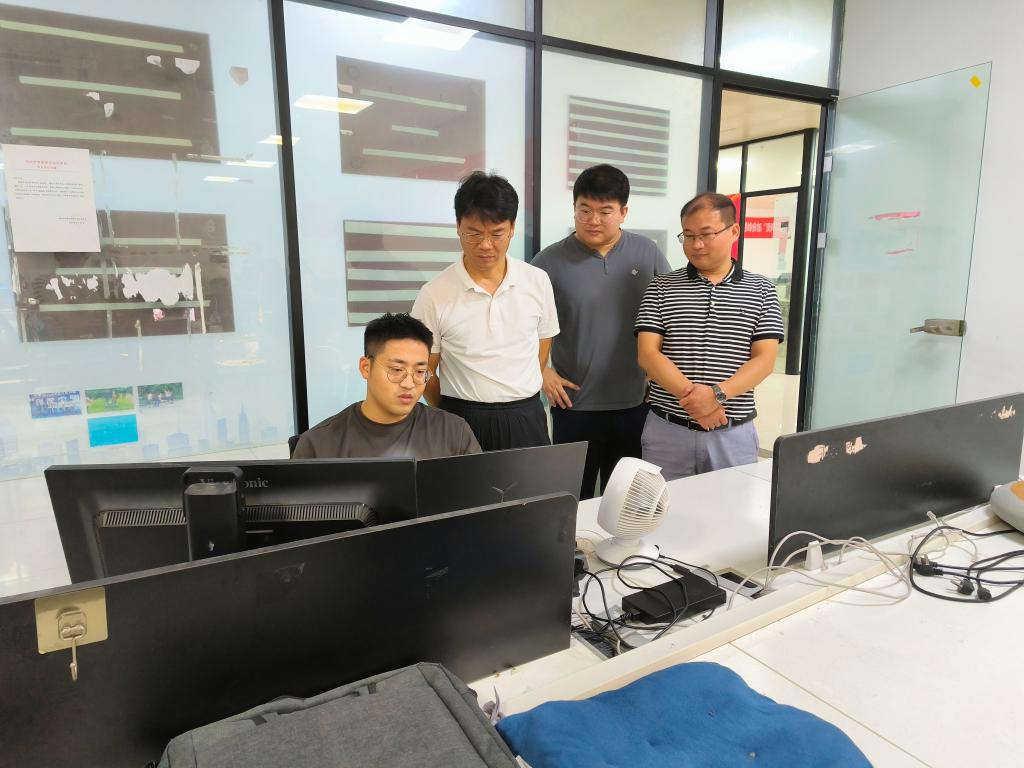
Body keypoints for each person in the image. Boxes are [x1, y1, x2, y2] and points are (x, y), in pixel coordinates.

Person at [532, 164, 671, 499]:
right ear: (574, 209)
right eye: (585, 210)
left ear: (623, 212)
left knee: (625, 502)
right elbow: (521, 327)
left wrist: (662, 372)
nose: (593, 220)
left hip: (635, 403)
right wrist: (542, 371)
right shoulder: (549, 262)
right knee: (570, 499)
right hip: (574, 405)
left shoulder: (647, 253)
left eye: (605, 211)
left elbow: (670, 315)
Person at [635, 193, 783, 480]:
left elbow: (764, 360)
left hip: (732, 432)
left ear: (734, 231)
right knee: (664, 506)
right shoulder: (661, 286)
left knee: (732, 505)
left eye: (706, 234)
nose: (696, 244)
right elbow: (648, 354)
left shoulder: (762, 289)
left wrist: (716, 394)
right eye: (688, 235)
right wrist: (697, 402)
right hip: (668, 430)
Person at [412, 171, 559, 452]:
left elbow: (542, 344)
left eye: (497, 233)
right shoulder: (434, 293)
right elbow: (424, 368)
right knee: (463, 484)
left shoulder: (537, 281)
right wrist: (449, 411)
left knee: (534, 482)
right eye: (474, 233)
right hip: (461, 418)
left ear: (512, 227)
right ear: (458, 226)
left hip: (525, 417)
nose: (485, 245)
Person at [292, 313, 480, 459]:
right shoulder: (318, 445)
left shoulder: (454, 433)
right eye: (397, 370)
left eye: (419, 372)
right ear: (366, 368)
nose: (409, 384)